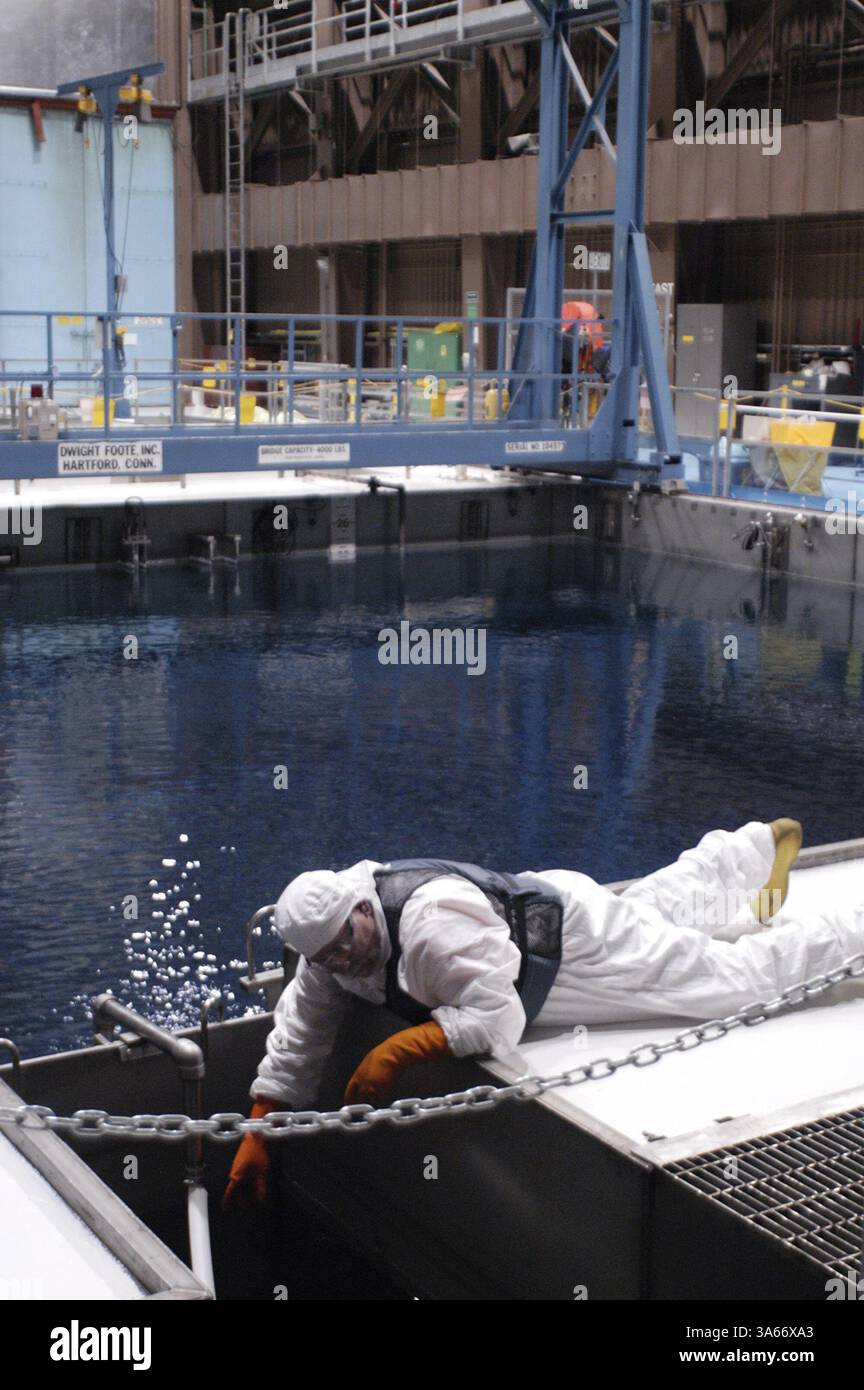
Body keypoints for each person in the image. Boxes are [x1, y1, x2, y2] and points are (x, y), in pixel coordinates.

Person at [222, 819, 860, 1211]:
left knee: (734, 983)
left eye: (345, 942)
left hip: (575, 958)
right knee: (655, 916)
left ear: (361, 908)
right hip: (547, 924)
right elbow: (300, 1036)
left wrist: (399, 1051)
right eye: (326, 956)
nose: (340, 960)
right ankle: (752, 847)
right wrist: (260, 1126)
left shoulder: (429, 925)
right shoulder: (329, 950)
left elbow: (499, 1020)